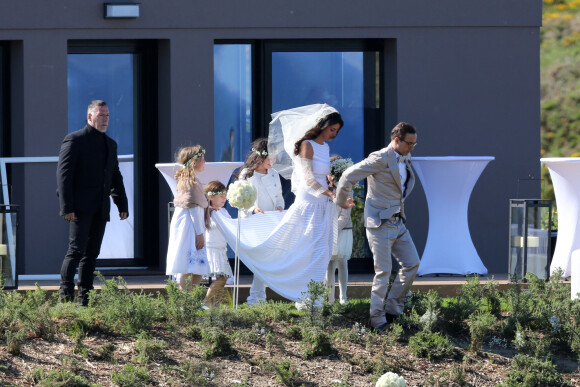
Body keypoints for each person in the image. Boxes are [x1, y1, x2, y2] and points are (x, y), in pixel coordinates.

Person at [211, 104, 345, 302]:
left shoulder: (325, 148)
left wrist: (332, 186)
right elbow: (308, 178)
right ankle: (269, 297)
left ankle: (310, 298)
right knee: (289, 250)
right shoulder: (306, 145)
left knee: (322, 250)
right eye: (332, 129)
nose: (334, 134)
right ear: (322, 126)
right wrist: (328, 193)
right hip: (292, 208)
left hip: (312, 206)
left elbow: (310, 180)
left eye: (337, 131)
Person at [336, 122, 420, 332]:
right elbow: (348, 176)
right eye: (409, 143)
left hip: (398, 221)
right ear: (396, 140)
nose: (411, 148)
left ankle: (393, 310)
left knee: (412, 264)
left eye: (414, 144)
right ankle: (377, 320)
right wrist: (341, 201)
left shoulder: (405, 156)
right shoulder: (380, 158)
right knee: (383, 271)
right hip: (379, 223)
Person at [56, 100, 129, 306]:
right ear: (90, 117)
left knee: (92, 254)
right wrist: (67, 207)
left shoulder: (110, 144)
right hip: (78, 208)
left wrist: (122, 204)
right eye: (101, 115)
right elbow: (63, 176)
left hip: (100, 207)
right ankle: (65, 298)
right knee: (76, 250)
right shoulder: (75, 140)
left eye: (107, 115)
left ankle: (84, 300)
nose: (105, 119)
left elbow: (115, 176)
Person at [238, 138, 285, 305]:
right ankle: (256, 297)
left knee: (267, 259)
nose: (272, 162)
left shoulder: (273, 174)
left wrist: (280, 206)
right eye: (269, 158)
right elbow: (240, 199)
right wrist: (252, 210)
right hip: (254, 221)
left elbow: (279, 196)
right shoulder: (247, 174)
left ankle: (257, 297)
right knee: (261, 260)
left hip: (272, 220)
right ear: (260, 157)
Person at [166, 145, 211, 290]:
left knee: (197, 269)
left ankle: (191, 301)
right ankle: (184, 303)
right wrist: (199, 234)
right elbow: (193, 207)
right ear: (194, 161)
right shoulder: (189, 181)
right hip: (189, 227)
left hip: (191, 225)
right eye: (202, 158)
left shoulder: (192, 179)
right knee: (189, 268)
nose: (205, 161)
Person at [326, 155, 353, 305]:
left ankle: (343, 297)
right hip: (328, 229)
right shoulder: (324, 189)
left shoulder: (347, 188)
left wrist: (335, 228)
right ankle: (329, 298)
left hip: (343, 229)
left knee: (342, 261)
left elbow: (345, 214)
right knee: (329, 263)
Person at [203, 180, 233, 307]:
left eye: (225, 195)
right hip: (211, 248)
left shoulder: (223, 211)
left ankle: (215, 305)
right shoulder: (206, 212)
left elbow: (231, 225)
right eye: (221, 195)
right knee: (222, 277)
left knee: (223, 278)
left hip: (221, 249)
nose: (224, 198)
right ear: (211, 196)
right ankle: (206, 302)